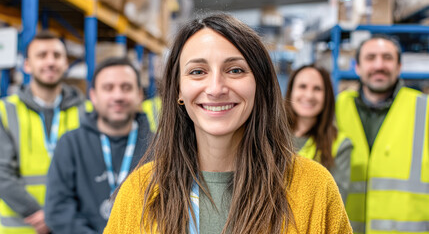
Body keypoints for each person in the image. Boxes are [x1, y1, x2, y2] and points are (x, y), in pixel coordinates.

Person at [104, 13, 352, 234]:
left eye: (235, 70)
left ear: (260, 84)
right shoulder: (139, 193)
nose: (215, 89)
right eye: (197, 72)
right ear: (178, 89)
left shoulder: (314, 188)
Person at [44, 57, 153, 233]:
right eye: (108, 88)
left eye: (126, 88)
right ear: (93, 96)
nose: (117, 96)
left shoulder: (159, 147)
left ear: (139, 94)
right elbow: (58, 211)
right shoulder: (71, 144)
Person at [336, 35, 429, 234]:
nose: (379, 65)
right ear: (357, 67)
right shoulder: (336, 108)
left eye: (387, 58)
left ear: (399, 67)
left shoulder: (425, 108)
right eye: (371, 58)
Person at [0, 31, 86, 234]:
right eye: (42, 55)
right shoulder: (5, 110)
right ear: (27, 65)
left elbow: (90, 171)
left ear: (66, 63)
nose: (50, 62)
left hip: (70, 225)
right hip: (23, 227)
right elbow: (2, 173)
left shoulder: (86, 111)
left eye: (57, 56)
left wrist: (59, 216)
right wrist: (39, 214)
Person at [285, 65, 352, 203]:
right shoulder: (269, 135)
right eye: (302, 86)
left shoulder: (340, 145)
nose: (309, 95)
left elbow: (334, 204)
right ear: (291, 91)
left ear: (327, 96)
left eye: (317, 89)